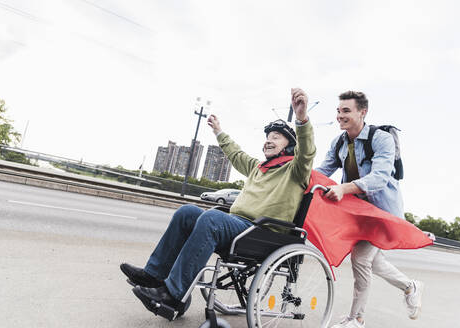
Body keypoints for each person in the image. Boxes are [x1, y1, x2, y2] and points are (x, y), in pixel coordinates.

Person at [120, 88, 316, 315]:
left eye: (275, 137)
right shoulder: (257, 167)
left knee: (212, 218)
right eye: (267, 137)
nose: (268, 141)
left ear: (289, 145)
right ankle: (154, 276)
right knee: (187, 213)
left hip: (261, 232)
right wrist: (219, 132)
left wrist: (301, 120)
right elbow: (235, 154)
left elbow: (307, 151)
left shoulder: (296, 170)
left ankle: (172, 295)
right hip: (237, 224)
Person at [316, 91, 423, 328]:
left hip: (382, 211)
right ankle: (410, 286)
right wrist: (297, 177)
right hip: (358, 211)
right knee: (374, 263)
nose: (339, 116)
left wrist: (344, 188)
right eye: (338, 110)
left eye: (346, 111)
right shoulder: (339, 143)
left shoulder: (380, 138)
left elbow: (380, 178)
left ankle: (357, 319)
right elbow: (322, 171)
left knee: (361, 258)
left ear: (362, 112)